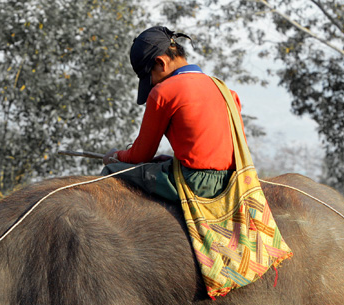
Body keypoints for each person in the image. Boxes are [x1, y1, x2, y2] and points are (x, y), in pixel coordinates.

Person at [102, 26, 244, 202]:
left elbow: (140, 156)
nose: (152, 84)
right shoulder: (226, 91)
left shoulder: (164, 92)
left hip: (196, 183)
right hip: (233, 180)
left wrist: (116, 156)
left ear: (161, 63)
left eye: (150, 77)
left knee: (112, 172)